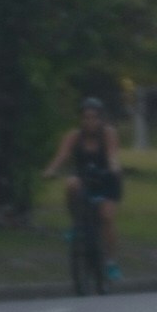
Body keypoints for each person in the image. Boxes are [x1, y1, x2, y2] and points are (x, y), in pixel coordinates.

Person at [42, 93, 125, 276]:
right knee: (71, 183)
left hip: (106, 179)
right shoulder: (74, 136)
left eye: (94, 118)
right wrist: (51, 170)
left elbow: (112, 154)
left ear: (101, 119)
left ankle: (110, 262)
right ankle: (77, 224)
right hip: (84, 178)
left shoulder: (108, 134)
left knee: (106, 217)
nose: (90, 122)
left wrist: (114, 168)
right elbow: (62, 156)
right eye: (86, 118)